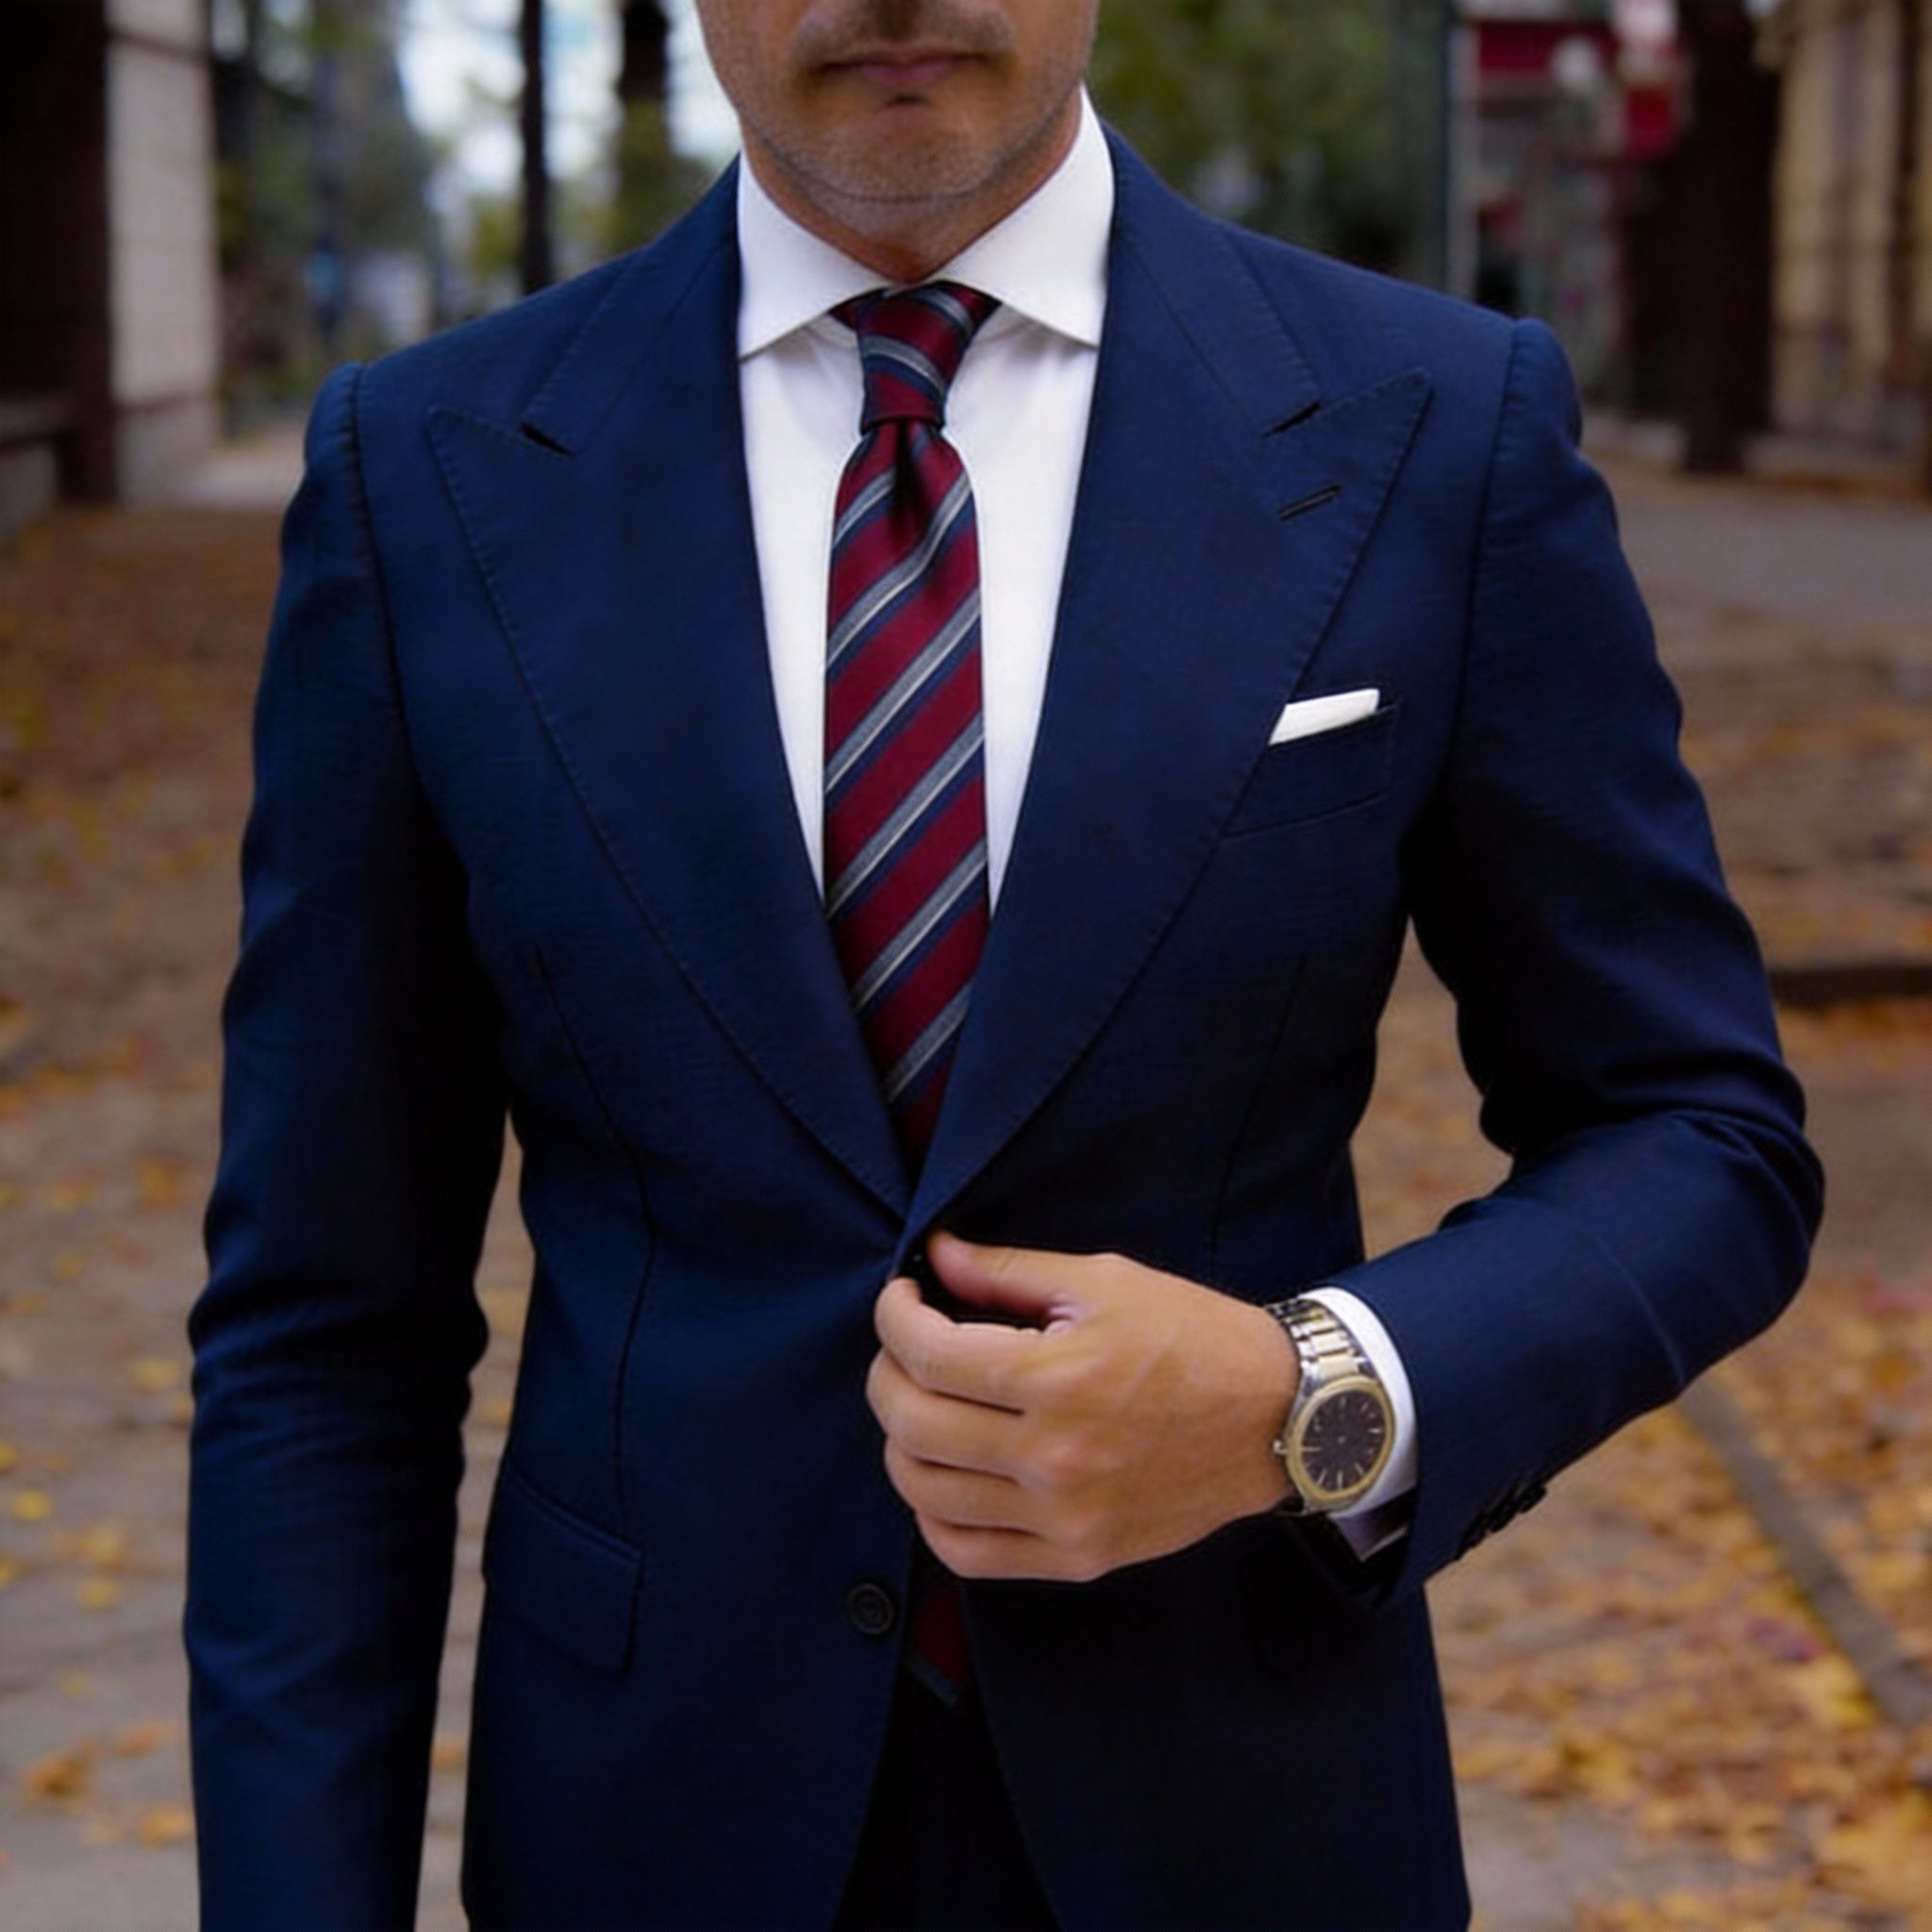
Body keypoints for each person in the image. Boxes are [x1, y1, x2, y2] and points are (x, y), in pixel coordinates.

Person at [182, 3, 1824, 1927]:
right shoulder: (428, 476)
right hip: (648, 1827)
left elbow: (1697, 1131)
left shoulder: (1434, 429)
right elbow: (321, 1327)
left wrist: (1305, 1392)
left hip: (1243, 1817)